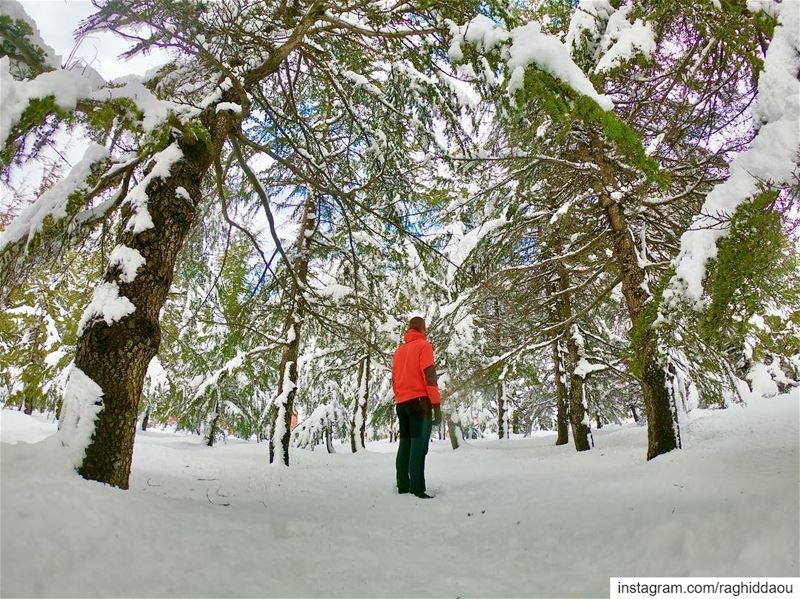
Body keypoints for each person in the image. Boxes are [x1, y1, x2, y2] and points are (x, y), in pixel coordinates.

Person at [392, 316, 442, 499]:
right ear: (422, 328)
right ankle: (418, 488)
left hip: (402, 403)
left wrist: (400, 396)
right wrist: (436, 405)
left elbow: (394, 380)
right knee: (419, 446)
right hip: (420, 402)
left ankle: (403, 484)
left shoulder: (399, 351)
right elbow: (429, 376)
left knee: (405, 443)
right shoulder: (424, 346)